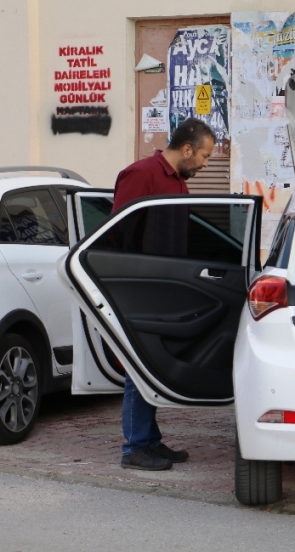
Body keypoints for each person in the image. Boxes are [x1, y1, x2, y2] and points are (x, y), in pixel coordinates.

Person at [113, 117, 216, 471]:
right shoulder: (141, 174)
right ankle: (135, 448)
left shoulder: (179, 184)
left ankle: (149, 440)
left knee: (153, 365)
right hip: (141, 288)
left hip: (167, 288)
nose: (205, 164)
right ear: (187, 149)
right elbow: (118, 232)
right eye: (204, 156)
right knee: (139, 368)